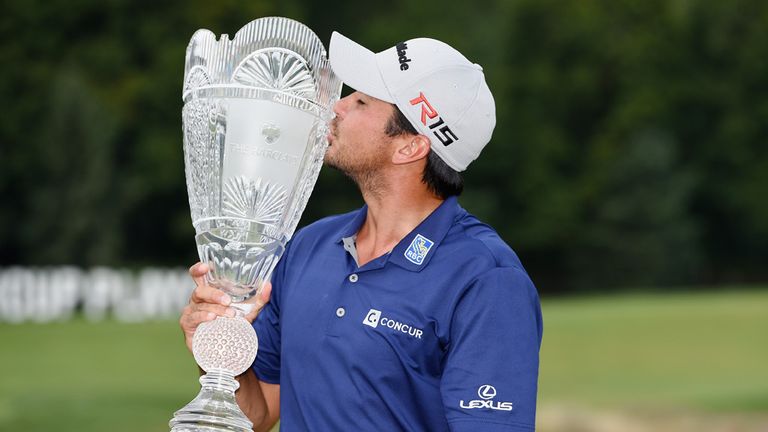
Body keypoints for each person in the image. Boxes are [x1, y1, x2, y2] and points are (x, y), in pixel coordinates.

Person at [180, 31, 543, 432]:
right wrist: (214, 346)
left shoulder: (486, 279)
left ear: (409, 147)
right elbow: (259, 411)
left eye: (361, 101)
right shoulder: (308, 246)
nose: (337, 106)